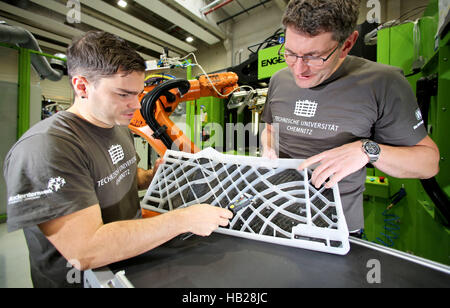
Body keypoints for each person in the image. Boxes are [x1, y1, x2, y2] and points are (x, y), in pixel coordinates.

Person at [3, 31, 233, 288]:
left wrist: (153, 175)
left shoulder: (115, 124)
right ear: (82, 87)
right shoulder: (47, 148)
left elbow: (123, 177)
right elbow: (86, 250)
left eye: (137, 93)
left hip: (131, 266)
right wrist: (184, 219)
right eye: (123, 94)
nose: (135, 105)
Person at [261, 0, 440, 234]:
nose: (298, 70)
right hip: (273, 216)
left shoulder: (383, 83)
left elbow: (428, 162)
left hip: (337, 230)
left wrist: (367, 150)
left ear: (347, 44)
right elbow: (271, 130)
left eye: (314, 57)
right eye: (290, 54)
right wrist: (267, 147)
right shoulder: (279, 80)